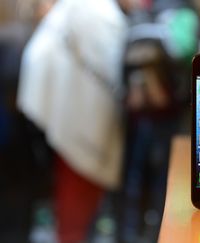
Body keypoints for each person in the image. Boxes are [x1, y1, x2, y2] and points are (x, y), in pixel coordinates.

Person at [17, 0, 129, 241]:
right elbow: (112, 68)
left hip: (74, 116)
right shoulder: (94, 9)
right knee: (75, 202)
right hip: (83, 120)